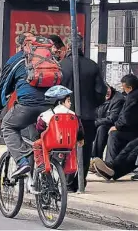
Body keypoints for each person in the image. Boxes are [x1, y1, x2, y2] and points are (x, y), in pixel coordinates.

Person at [0, 33, 50, 178]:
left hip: (27, 106)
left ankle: (22, 162)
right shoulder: (49, 58)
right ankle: (47, 177)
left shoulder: (17, 60)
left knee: (8, 127)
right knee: (39, 137)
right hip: (50, 107)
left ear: (20, 46)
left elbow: (2, 90)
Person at [60, 34, 107, 193]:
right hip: (87, 116)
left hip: (64, 116)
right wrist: (92, 105)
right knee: (84, 150)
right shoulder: (92, 66)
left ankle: (66, 180)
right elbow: (101, 92)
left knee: (65, 148)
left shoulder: (60, 66)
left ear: (67, 47)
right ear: (82, 46)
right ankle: (80, 182)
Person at [104, 74, 138, 167]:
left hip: (137, 130)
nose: (123, 90)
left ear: (130, 87)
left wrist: (117, 126)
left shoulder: (133, 96)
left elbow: (127, 117)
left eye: (124, 87)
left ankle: (110, 165)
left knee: (114, 134)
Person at [92, 84, 125, 160]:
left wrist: (95, 122)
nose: (107, 92)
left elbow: (112, 118)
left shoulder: (118, 99)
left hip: (115, 125)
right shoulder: (96, 97)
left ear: (110, 88)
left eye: (108, 89)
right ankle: (91, 159)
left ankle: (96, 158)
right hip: (101, 123)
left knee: (101, 129)